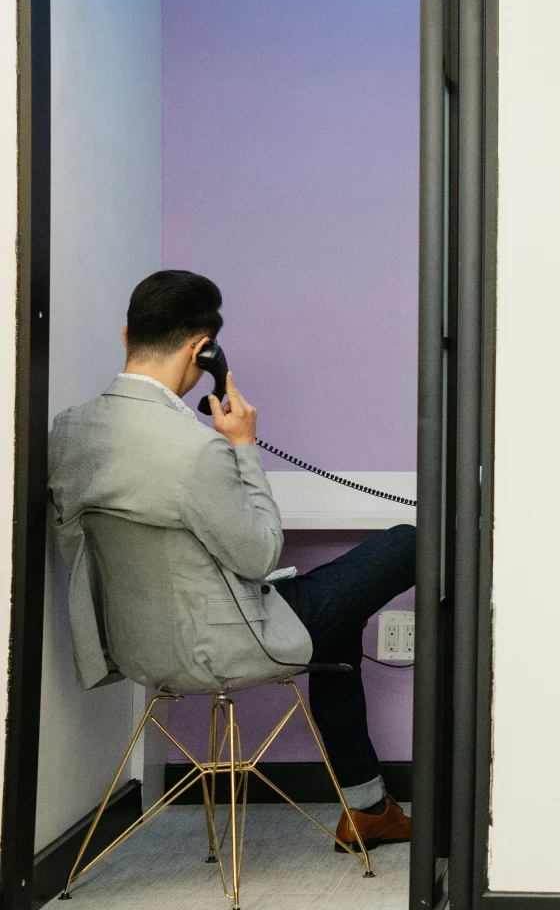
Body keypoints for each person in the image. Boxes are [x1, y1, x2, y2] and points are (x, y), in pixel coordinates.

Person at [48, 270, 414, 849]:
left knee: (339, 625)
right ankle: (376, 806)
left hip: (135, 647)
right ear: (204, 350)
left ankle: (369, 808)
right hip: (228, 644)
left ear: (127, 337)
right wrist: (243, 446)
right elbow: (260, 554)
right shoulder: (197, 450)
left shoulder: (69, 432)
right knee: (409, 542)